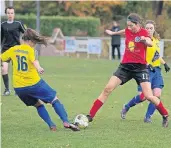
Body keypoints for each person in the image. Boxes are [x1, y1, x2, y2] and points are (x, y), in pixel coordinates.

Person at [86, 13, 169, 128]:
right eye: (128, 26)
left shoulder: (144, 33)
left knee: (149, 96)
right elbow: (123, 31)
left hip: (140, 69)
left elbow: (149, 43)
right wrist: (113, 33)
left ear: (137, 24)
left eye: (131, 26)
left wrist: (144, 40)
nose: (129, 28)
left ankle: (165, 114)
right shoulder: (128, 30)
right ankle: (90, 116)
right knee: (107, 89)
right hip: (125, 67)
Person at [0, 28, 80, 132]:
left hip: (19, 88)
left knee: (38, 104)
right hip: (34, 84)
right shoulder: (30, 50)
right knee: (54, 99)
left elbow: (1, 58)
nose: (34, 44)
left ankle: (51, 125)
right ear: (29, 41)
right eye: (33, 42)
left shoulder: (13, 49)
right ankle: (66, 121)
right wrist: (39, 68)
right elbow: (34, 62)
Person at [120, 20, 170, 123]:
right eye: (147, 28)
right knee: (143, 96)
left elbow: (156, 54)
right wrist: (146, 64)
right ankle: (127, 106)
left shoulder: (156, 40)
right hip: (144, 69)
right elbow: (136, 53)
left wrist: (164, 63)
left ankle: (148, 117)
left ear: (154, 29)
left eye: (151, 28)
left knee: (157, 95)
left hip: (156, 71)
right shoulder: (141, 40)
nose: (149, 30)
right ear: (144, 29)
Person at [1, 6, 26, 96]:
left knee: (17, 71)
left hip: (17, 50)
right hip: (6, 50)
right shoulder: (2, 25)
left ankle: (17, 89)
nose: (10, 15)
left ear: (14, 14)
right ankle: (7, 89)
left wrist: (25, 45)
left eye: (12, 13)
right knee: (4, 69)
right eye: (8, 13)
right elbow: (1, 38)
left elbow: (26, 34)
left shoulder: (18, 23)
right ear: (6, 14)